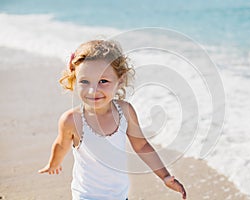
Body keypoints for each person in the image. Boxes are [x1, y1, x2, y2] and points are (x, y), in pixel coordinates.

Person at [38, 40, 187, 200]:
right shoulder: (72, 120)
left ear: (120, 80)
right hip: (86, 196)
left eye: (103, 81)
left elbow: (142, 145)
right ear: (75, 79)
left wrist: (164, 176)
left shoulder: (125, 111)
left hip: (119, 195)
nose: (93, 90)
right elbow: (61, 144)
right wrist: (54, 163)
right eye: (84, 81)